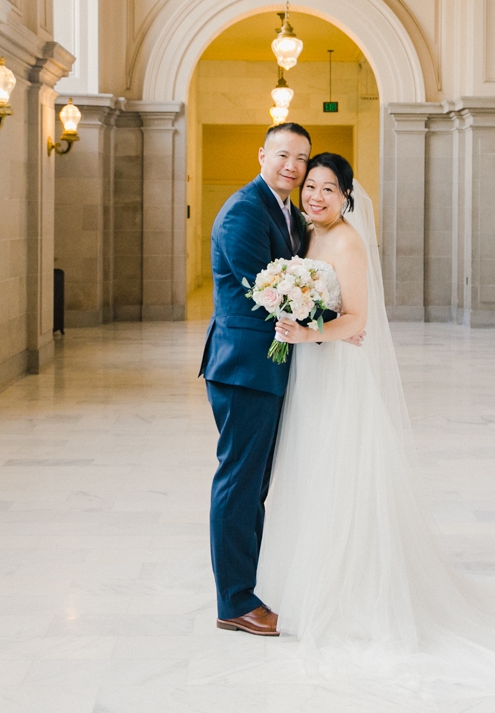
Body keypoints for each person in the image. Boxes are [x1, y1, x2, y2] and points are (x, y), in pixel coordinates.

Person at [254, 152, 495, 693]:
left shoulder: (346, 239)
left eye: (329, 188)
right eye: (312, 186)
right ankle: (307, 586)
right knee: (311, 476)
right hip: (314, 372)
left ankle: (354, 597)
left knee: (343, 478)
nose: (316, 196)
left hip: (339, 377)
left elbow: (359, 318)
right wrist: (299, 315)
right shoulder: (307, 237)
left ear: (348, 196)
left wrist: (306, 331)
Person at [198, 122, 312, 636]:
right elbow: (265, 293)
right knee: (240, 483)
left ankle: (246, 586)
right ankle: (235, 602)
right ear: (262, 153)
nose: (292, 165)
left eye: (302, 158)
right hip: (244, 367)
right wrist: (323, 318)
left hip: (263, 365)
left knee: (254, 484)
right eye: (283, 154)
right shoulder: (245, 211)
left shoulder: (285, 210)